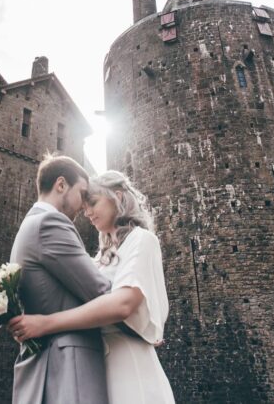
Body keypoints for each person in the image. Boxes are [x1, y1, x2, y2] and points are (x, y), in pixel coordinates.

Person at [9, 171, 175, 404]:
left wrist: (45, 324)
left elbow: (123, 304)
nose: (86, 212)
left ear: (117, 197)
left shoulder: (142, 240)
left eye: (93, 203)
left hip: (129, 365)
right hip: (96, 368)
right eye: (85, 206)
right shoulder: (99, 258)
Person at [10, 155, 112, 404]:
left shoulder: (29, 224)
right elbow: (100, 291)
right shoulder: (50, 222)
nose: (84, 206)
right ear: (61, 185)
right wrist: (140, 314)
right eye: (82, 194)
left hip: (49, 366)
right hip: (69, 365)